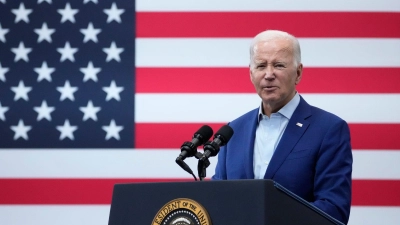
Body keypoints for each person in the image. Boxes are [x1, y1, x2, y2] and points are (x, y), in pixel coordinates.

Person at [211, 30, 353, 224]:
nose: (269, 74)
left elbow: (333, 209)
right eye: (261, 66)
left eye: (279, 65)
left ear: (298, 72)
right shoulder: (232, 131)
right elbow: (217, 201)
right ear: (251, 73)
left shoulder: (329, 129)